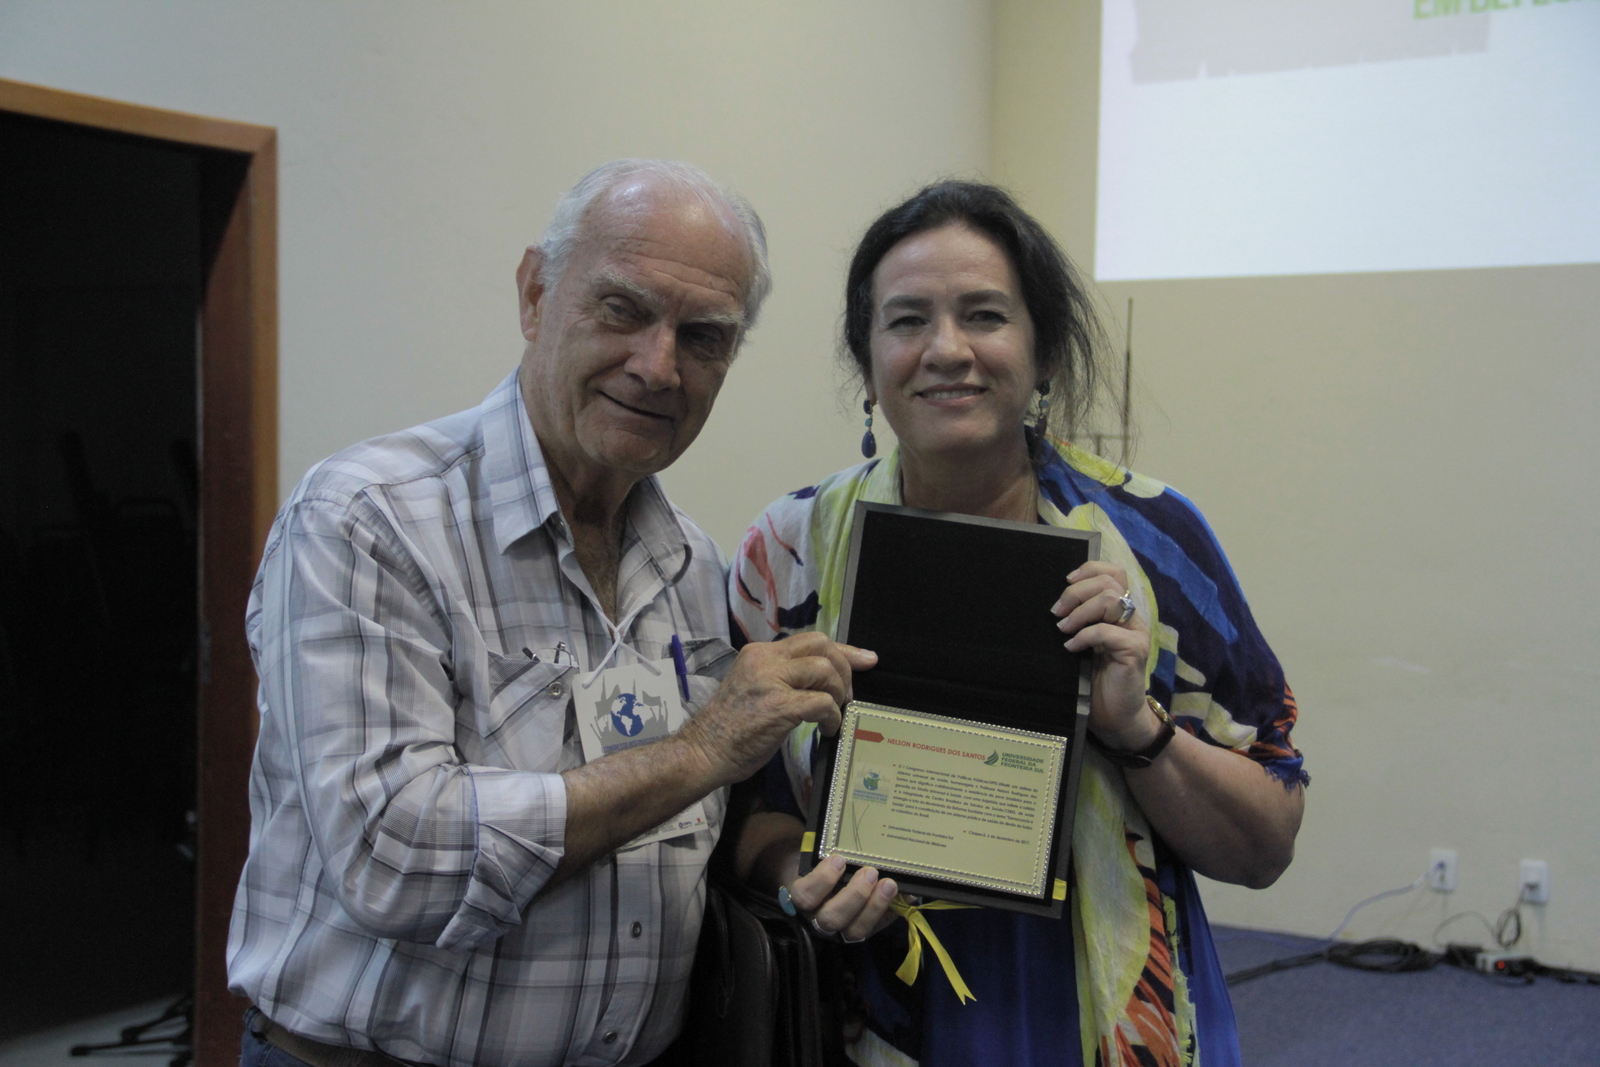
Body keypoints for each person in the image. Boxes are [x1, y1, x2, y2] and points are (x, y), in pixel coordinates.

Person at [227, 159, 876, 1067]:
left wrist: (789, 863)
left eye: (703, 336)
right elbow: (395, 855)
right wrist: (701, 747)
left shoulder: (689, 561)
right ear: (536, 294)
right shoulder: (370, 520)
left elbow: (692, 815)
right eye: (623, 310)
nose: (658, 365)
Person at [729, 180, 1307, 1067]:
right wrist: (795, 875)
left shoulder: (1155, 539)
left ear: (1042, 353)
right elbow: (744, 812)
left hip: (1099, 1015)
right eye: (907, 319)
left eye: (985, 315)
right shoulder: (788, 551)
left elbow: (1266, 841)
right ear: (868, 356)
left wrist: (1133, 726)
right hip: (871, 1009)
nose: (947, 350)